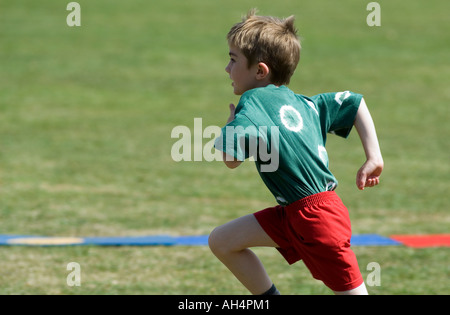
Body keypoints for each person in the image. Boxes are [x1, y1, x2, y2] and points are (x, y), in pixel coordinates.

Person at [209, 9, 384, 295]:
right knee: (223, 240)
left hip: (317, 220)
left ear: (260, 71)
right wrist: (373, 157)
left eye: (232, 59)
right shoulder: (305, 104)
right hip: (298, 212)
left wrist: (230, 125)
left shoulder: (252, 101)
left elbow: (230, 160)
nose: (227, 69)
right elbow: (355, 102)